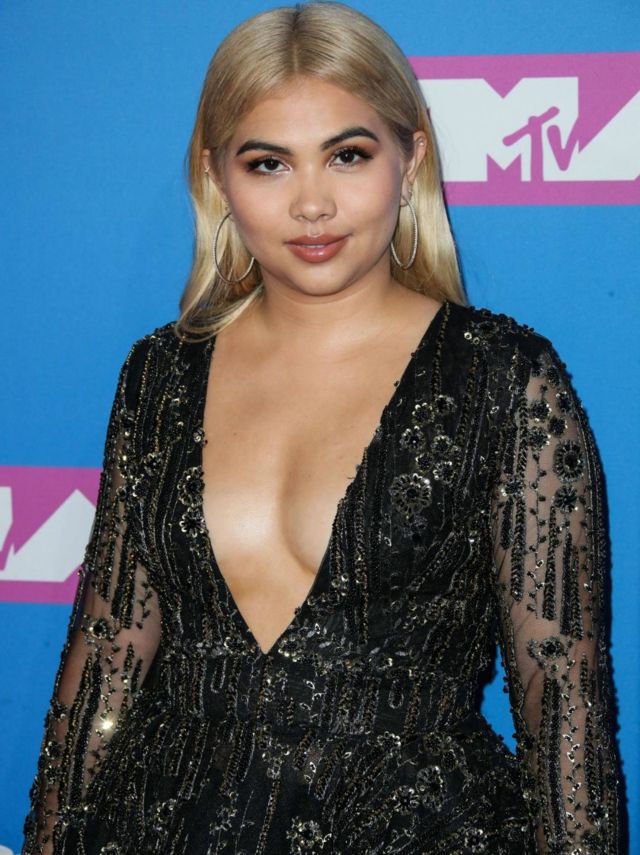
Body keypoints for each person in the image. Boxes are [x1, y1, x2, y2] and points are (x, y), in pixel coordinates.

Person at [22, 2, 622, 853]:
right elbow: (109, 652)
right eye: (268, 163)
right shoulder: (158, 375)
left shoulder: (504, 378)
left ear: (410, 160)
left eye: (348, 155)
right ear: (216, 177)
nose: (311, 203)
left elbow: (560, 693)